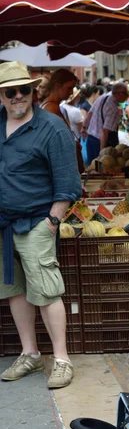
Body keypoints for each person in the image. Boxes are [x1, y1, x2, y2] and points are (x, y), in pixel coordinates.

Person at [0, 61, 81, 388]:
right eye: (11, 91)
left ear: (34, 91)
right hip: (4, 226)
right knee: (14, 290)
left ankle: (61, 359)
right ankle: (30, 354)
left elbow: (69, 181)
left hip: (37, 222)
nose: (19, 96)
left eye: (25, 89)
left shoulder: (52, 127)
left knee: (46, 291)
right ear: (1, 96)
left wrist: (52, 220)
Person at [85, 82, 129, 164]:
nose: (127, 96)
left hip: (91, 139)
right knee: (101, 170)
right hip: (101, 143)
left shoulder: (102, 97)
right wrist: (103, 153)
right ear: (118, 93)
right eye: (126, 93)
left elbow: (89, 114)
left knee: (92, 169)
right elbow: (105, 131)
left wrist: (84, 127)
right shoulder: (113, 109)